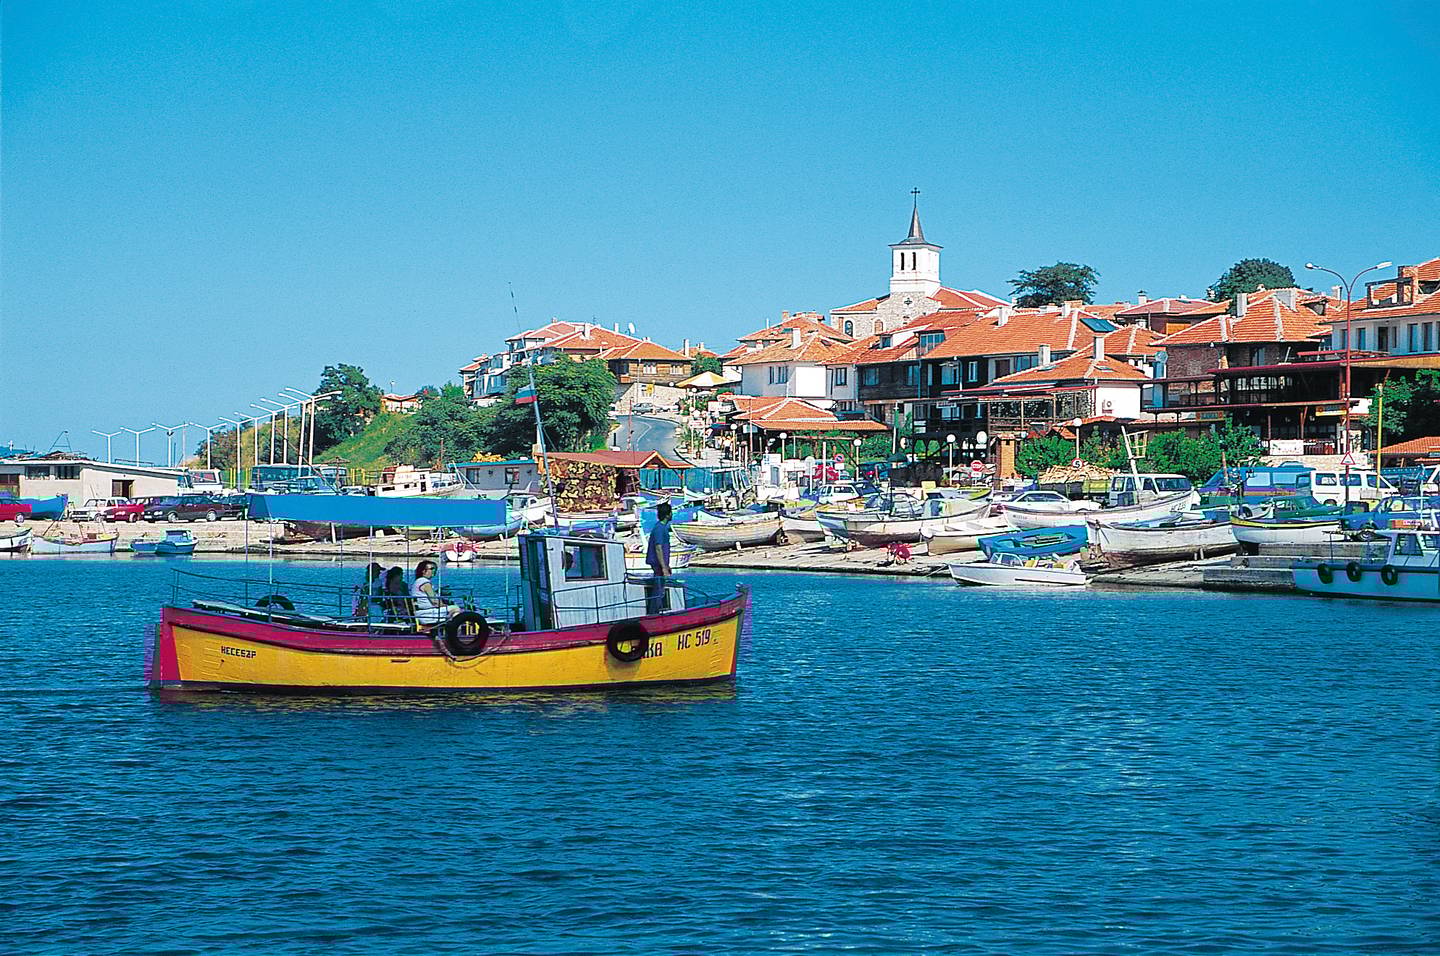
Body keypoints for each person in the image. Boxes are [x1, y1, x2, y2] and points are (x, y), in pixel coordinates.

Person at [410, 560, 461, 626]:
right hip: (426, 614)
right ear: (423, 571)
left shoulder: (418, 581)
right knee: (456, 608)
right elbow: (435, 602)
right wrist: (445, 605)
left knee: (452, 609)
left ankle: (450, 628)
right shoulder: (425, 583)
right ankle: (453, 631)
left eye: (435, 568)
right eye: (431, 569)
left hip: (421, 612)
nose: (434, 570)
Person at [645, 502, 673, 614]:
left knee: (660, 588)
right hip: (657, 564)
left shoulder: (662, 528)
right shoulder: (659, 529)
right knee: (658, 588)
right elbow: (658, 548)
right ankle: (654, 613)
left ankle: (657, 610)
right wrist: (664, 567)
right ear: (667, 515)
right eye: (671, 512)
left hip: (661, 564)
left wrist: (667, 565)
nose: (672, 514)